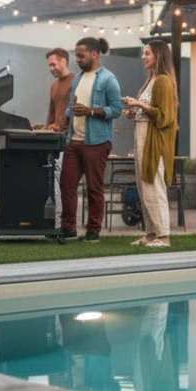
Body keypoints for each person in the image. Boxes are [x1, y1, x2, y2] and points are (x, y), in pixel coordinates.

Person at [59, 36, 122, 241]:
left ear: (94, 54)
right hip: (74, 141)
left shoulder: (108, 79)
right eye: (76, 55)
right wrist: (63, 123)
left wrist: (91, 112)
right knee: (66, 184)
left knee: (94, 188)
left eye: (81, 55)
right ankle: (68, 228)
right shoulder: (77, 78)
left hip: (96, 142)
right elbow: (72, 106)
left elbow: (116, 109)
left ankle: (93, 230)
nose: (77, 59)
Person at [121, 38, 178, 247]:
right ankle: (152, 233)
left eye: (147, 53)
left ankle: (164, 236)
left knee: (154, 186)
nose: (143, 57)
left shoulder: (163, 81)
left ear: (158, 56)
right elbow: (150, 111)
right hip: (142, 137)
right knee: (144, 186)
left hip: (153, 141)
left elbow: (165, 117)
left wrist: (139, 105)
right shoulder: (151, 81)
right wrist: (133, 111)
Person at [42, 48, 73, 226]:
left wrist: (62, 126)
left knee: (64, 184)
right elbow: (51, 114)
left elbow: (76, 111)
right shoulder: (54, 86)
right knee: (53, 184)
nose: (51, 68)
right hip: (55, 142)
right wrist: (46, 130)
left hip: (69, 141)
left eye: (53, 64)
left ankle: (64, 222)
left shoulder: (75, 81)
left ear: (64, 61)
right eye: (49, 65)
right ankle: (53, 221)